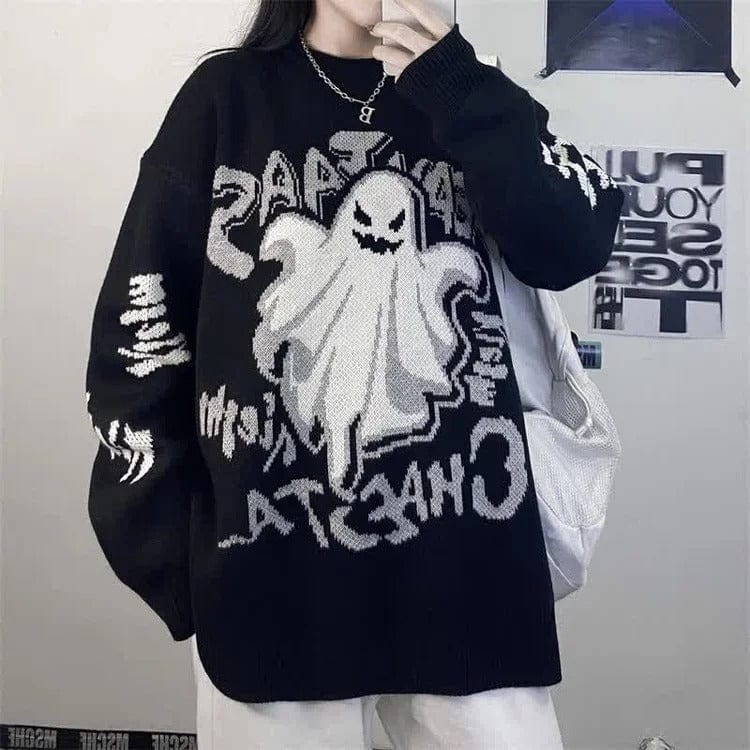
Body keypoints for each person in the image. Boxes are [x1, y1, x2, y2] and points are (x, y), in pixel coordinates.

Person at [83, 0, 624, 747]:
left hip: (469, 586)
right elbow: (142, 323)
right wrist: (177, 558)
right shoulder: (225, 99)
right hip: (270, 595)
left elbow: (574, 242)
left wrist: (459, 86)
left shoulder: (471, 91)